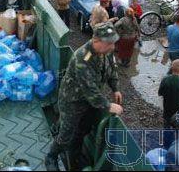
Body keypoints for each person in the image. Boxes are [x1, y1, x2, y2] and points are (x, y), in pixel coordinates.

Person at [45, 22, 123, 171]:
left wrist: (116, 88)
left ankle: (75, 154)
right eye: (109, 43)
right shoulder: (83, 58)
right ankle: (51, 155)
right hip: (72, 102)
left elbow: (112, 70)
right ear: (96, 41)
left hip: (89, 103)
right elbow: (90, 90)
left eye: (113, 43)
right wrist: (108, 106)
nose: (113, 47)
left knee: (83, 130)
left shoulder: (107, 51)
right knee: (66, 135)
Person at [158, 60, 179, 128]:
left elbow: (160, 93)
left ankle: (166, 134)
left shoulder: (165, 79)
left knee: (167, 124)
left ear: (171, 68)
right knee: (178, 127)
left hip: (167, 109)